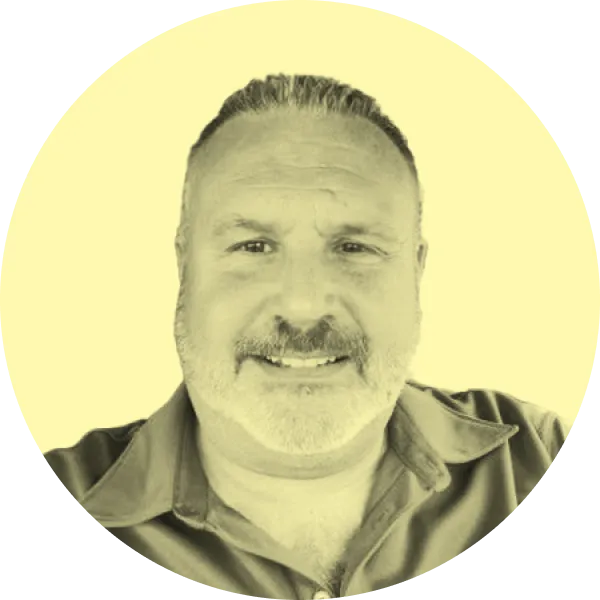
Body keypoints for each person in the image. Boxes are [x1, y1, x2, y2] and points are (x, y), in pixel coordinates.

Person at [43, 74, 569, 599]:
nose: (303, 306)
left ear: (416, 270)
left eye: (354, 248)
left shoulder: (538, 457)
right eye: (253, 247)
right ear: (185, 267)